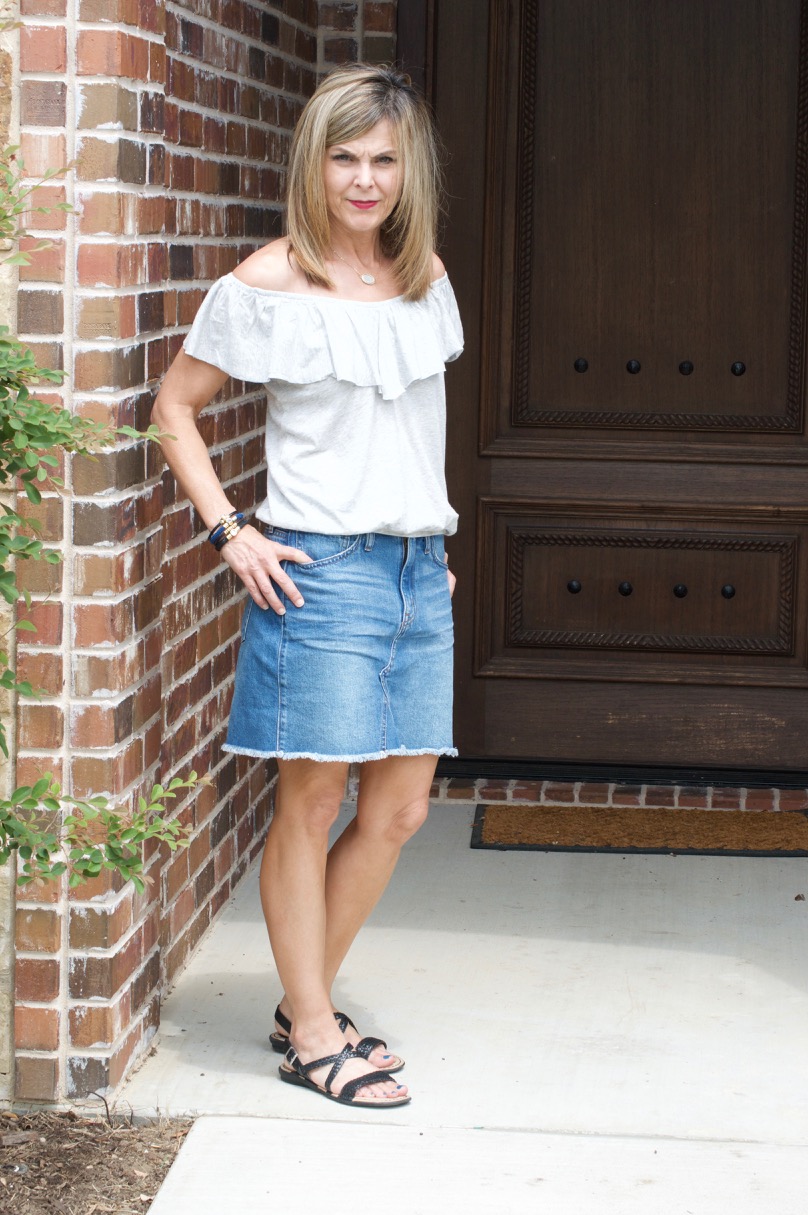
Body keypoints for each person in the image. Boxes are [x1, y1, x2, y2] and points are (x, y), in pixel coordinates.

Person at [151, 64, 463, 1109]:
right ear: (314, 164)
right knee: (315, 800)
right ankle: (315, 1032)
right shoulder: (269, 283)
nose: (364, 180)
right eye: (345, 158)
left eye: (384, 160)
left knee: (402, 809)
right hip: (318, 574)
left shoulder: (423, 277)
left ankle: (305, 1004)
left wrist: (429, 537)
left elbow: (412, 432)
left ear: (408, 171)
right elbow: (174, 408)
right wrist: (229, 529)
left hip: (416, 572)